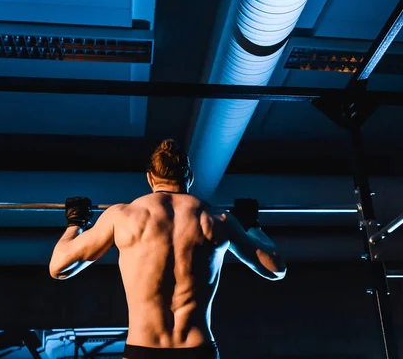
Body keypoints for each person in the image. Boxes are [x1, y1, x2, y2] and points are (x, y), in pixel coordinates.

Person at [49, 139, 286, 359]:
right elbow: (275, 269)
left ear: (150, 178)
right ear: (189, 177)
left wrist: (76, 223)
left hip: (143, 349)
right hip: (197, 349)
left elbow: (59, 268)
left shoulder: (122, 216)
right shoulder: (217, 219)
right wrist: (251, 225)